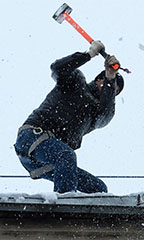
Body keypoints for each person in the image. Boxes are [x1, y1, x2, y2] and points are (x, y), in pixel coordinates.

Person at [14, 40, 124, 193]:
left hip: (47, 158)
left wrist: (111, 79)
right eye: (106, 84)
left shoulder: (96, 114)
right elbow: (58, 68)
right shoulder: (76, 82)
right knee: (66, 155)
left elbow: (106, 116)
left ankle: (82, 212)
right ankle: (64, 207)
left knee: (98, 188)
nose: (110, 92)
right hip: (32, 137)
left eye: (114, 92)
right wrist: (88, 55)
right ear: (99, 79)